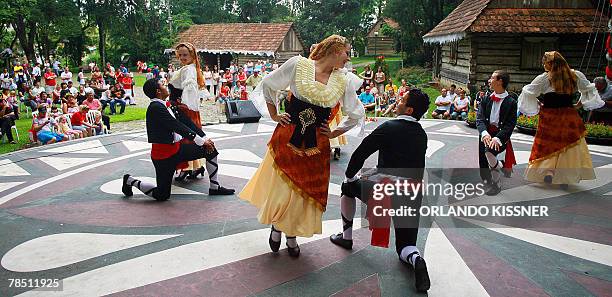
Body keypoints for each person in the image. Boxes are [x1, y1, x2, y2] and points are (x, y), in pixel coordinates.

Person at [239, 35, 365, 257]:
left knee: (302, 192)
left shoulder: (343, 80)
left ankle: (288, 232)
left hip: (317, 145)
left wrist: (335, 132)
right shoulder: (299, 64)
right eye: (347, 52)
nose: (348, 57)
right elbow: (269, 84)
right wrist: (274, 115)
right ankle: (281, 228)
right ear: (335, 50)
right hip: (288, 137)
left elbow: (355, 113)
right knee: (284, 188)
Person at [330, 89, 431, 293]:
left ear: (409, 109)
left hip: (386, 191)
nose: (398, 101)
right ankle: (417, 259)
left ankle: (346, 237)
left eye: (402, 100)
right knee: (405, 247)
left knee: (346, 188)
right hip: (412, 193)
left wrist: (351, 177)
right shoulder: (421, 134)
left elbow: (362, 152)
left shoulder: (389, 126)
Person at [122, 79, 233, 200]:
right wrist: (199, 140)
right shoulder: (155, 108)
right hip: (163, 156)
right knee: (162, 195)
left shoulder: (169, 104)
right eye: (163, 85)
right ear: (158, 91)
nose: (166, 86)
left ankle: (215, 187)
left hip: (178, 149)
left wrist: (205, 138)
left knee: (210, 150)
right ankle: (130, 181)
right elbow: (176, 125)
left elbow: (186, 122)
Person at [518, 51, 604, 186]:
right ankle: (564, 176)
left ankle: (548, 172)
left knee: (547, 143)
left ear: (550, 63)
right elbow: (588, 89)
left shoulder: (544, 78)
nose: (543, 65)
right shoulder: (575, 75)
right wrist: (578, 105)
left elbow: (528, 92)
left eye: (545, 62)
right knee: (568, 145)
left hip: (549, 116)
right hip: (569, 115)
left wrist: (538, 104)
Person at [168, 42, 231, 191]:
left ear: (192, 56)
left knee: (187, 138)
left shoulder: (188, 69)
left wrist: (185, 106)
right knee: (190, 138)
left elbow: (190, 88)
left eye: (185, 55)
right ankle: (194, 167)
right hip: (184, 107)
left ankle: (188, 167)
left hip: (184, 109)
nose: (182, 57)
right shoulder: (187, 68)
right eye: (180, 55)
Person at [476, 70, 518, 195]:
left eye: (492, 78)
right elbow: (480, 118)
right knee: (483, 159)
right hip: (486, 134)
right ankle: (491, 174)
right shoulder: (485, 99)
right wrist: (484, 133)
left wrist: (498, 138)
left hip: (500, 136)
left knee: (489, 153)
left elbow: (510, 125)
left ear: (500, 81)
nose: (489, 80)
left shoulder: (511, 102)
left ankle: (496, 184)